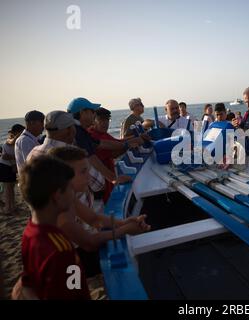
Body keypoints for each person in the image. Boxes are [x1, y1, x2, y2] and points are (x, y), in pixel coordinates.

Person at [48, 146, 151, 280]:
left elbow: (93, 219)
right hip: (63, 266)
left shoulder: (69, 196)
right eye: (83, 172)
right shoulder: (60, 212)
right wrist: (125, 230)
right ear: (63, 177)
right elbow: (89, 243)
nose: (89, 176)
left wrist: (123, 222)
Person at [19, 156, 90, 299]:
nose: (73, 193)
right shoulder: (62, 249)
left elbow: (28, 280)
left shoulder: (29, 232)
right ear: (57, 195)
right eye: (70, 188)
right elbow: (74, 290)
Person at [67, 97, 132, 186]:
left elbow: (101, 143)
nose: (94, 115)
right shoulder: (76, 131)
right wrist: (114, 179)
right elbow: (91, 157)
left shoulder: (80, 131)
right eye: (92, 111)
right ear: (83, 112)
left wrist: (126, 144)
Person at [88, 108, 143, 203]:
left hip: (107, 184)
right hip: (99, 189)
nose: (105, 123)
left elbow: (118, 143)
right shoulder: (92, 136)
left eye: (107, 120)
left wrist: (137, 139)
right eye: (101, 120)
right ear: (94, 120)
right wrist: (131, 143)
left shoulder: (102, 134)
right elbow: (114, 153)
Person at [0, 124, 24, 214]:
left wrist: (12, 157)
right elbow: (12, 143)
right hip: (4, 166)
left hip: (11, 166)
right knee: (8, 189)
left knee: (11, 188)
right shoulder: (9, 140)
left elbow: (14, 155)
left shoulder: (18, 141)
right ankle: (8, 208)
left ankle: (12, 206)